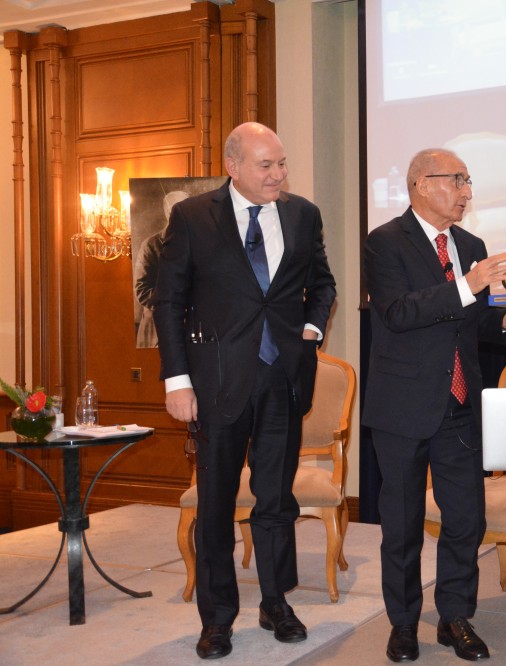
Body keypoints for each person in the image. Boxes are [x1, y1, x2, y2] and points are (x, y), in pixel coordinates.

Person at [153, 122, 337, 660]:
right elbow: (168, 301)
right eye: (266, 165)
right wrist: (177, 381)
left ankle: (276, 603)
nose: (278, 174)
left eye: (282, 163)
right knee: (215, 505)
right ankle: (217, 618)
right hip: (216, 383)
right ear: (233, 166)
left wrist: (311, 328)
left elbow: (322, 283)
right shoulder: (192, 217)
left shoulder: (303, 214)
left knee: (276, 499)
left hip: (283, 377)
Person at [363, 148, 506, 662]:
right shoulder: (385, 242)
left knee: (466, 519)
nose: (467, 192)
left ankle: (455, 617)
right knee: (401, 525)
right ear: (422, 184)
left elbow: (474, 322)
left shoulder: (470, 245)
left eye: (468, 181)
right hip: (403, 406)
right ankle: (403, 623)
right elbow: (397, 313)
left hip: (460, 403)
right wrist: (468, 284)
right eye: (458, 180)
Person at [134, 189, 189, 348]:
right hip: (157, 331)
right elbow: (142, 289)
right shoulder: (150, 245)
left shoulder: (199, 242)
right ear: (167, 213)